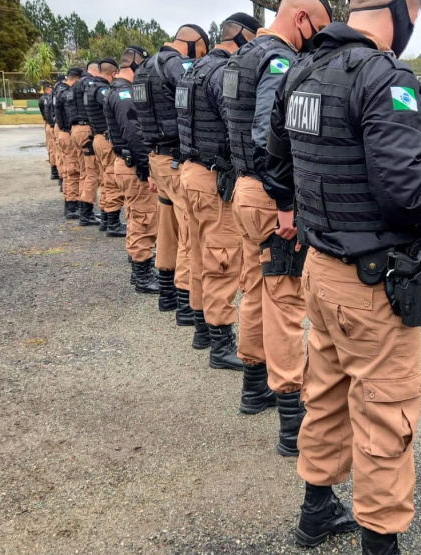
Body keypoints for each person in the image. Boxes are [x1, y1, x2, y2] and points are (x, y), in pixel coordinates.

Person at [264, 0, 421, 552]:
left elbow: (277, 162)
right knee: (385, 413)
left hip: (320, 270)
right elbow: (407, 189)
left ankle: (316, 512)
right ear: (400, 12)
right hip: (368, 285)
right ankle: (379, 544)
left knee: (325, 394)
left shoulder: (302, 71)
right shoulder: (384, 76)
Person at [223, 0, 332, 457]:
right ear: (301, 18)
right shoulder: (280, 59)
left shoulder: (241, 57)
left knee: (254, 289)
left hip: (244, 191)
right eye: (318, 29)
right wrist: (287, 204)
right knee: (285, 301)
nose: (318, 41)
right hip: (271, 198)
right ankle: (292, 424)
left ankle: (254, 387)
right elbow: (268, 135)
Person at [176, 13, 261, 362]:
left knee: (199, 254)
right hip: (214, 178)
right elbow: (236, 126)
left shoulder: (193, 71)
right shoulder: (224, 73)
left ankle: (203, 329)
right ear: (244, 38)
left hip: (191, 171)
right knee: (221, 260)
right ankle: (221, 342)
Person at [133, 24, 208, 322]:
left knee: (167, 230)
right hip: (176, 161)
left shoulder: (144, 69)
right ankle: (185, 302)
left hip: (157, 159)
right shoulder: (176, 65)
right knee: (189, 232)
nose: (200, 58)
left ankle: (166, 293)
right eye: (201, 51)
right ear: (194, 43)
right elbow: (195, 102)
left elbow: (141, 119)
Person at [105, 46, 160, 294]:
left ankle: (138, 267)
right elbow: (134, 135)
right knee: (143, 219)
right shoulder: (124, 93)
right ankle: (142, 275)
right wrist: (148, 170)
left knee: (136, 216)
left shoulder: (118, 90)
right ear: (136, 64)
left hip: (127, 163)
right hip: (134, 165)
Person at [85, 58, 127, 237]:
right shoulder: (102, 90)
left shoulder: (90, 87)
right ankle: (113, 223)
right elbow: (113, 106)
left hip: (98, 137)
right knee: (112, 180)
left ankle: (105, 219)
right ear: (113, 73)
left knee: (105, 178)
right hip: (105, 138)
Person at [70, 60, 102, 226]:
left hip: (75, 130)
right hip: (86, 130)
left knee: (84, 171)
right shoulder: (89, 83)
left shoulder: (75, 85)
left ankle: (84, 208)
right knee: (93, 173)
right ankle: (86, 213)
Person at [56, 67, 85, 220]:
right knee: (74, 170)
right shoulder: (67, 93)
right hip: (68, 133)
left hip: (63, 133)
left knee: (69, 170)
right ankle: (72, 206)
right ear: (77, 79)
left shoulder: (59, 91)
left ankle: (72, 203)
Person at [38, 82, 59, 181]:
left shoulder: (44, 98)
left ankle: (54, 172)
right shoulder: (49, 98)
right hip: (52, 125)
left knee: (51, 148)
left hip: (48, 124)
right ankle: (56, 172)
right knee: (55, 149)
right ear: (47, 89)